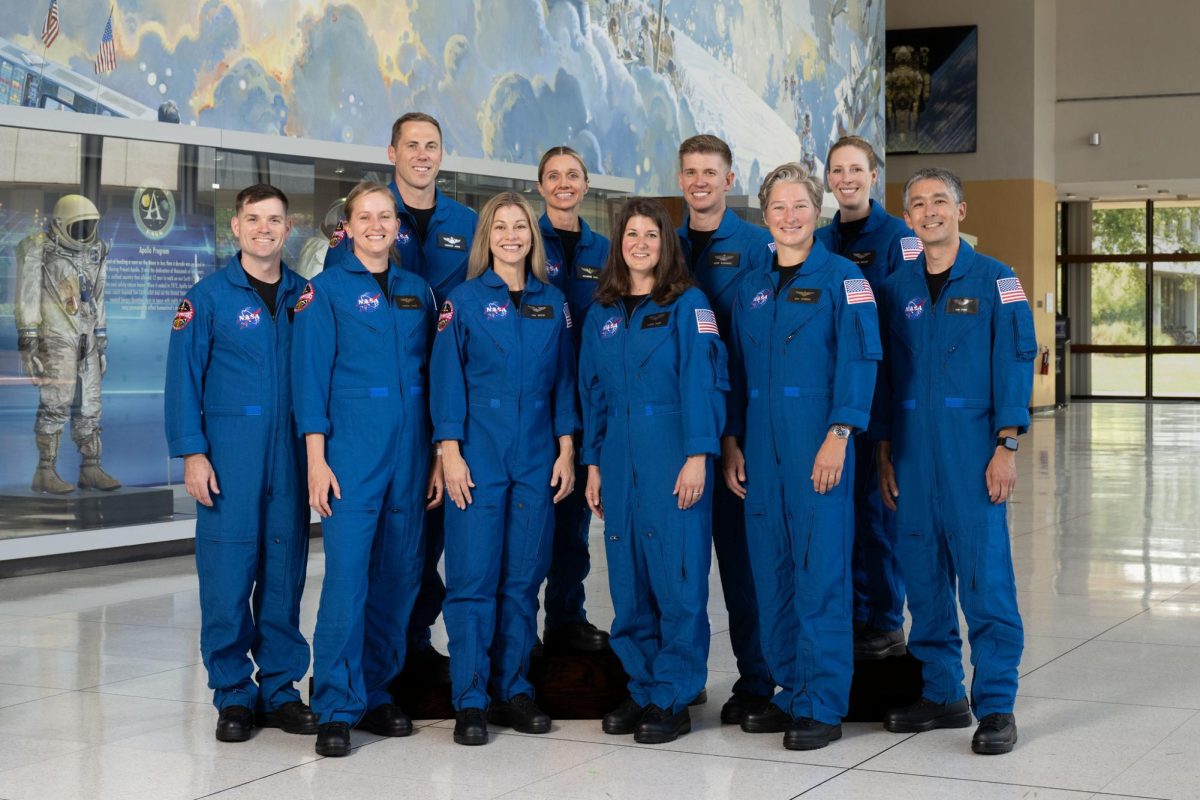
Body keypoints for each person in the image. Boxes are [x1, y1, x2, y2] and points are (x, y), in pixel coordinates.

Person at [875, 167, 1037, 755]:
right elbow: (886, 377)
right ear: (909, 218)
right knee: (923, 581)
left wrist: (1007, 444)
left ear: (960, 211)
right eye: (917, 204)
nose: (929, 211)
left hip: (975, 455)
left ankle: (995, 705)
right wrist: (886, 450)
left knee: (985, 581)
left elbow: (1018, 360)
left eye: (939, 201)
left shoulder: (998, 281)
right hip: (913, 457)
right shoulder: (896, 288)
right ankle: (943, 693)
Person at [723, 164, 881, 750]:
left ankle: (822, 703)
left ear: (817, 212)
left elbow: (861, 360)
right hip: (761, 450)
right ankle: (790, 689)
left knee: (821, 574)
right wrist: (732, 440)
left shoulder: (844, 280)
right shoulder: (751, 288)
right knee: (773, 572)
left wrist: (841, 433)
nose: (790, 218)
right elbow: (735, 373)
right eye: (778, 208)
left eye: (800, 207)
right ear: (764, 217)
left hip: (819, 444)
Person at [292, 181, 441, 757]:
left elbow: (432, 377)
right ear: (347, 227)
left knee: (400, 576)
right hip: (351, 452)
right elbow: (311, 379)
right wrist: (315, 460)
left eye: (386, 216)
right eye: (366, 217)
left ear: (397, 227)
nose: (377, 225)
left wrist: (432, 457)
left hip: (410, 454)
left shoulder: (418, 291)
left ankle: (377, 691)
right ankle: (334, 703)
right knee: (349, 578)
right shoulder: (322, 293)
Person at [164, 184, 316, 743]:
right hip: (230, 457)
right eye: (253, 219)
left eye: (274, 219)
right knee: (228, 577)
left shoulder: (308, 297)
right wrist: (193, 453)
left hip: (292, 458)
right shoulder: (205, 298)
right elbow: (182, 380)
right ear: (236, 227)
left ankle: (279, 689)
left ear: (287, 226)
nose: (263, 229)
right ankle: (232, 694)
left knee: (284, 574)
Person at [328, 112, 479, 676]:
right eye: (411, 144)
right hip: (366, 424)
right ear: (391, 151)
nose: (421, 154)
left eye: (431, 145)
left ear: (442, 154)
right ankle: (361, 669)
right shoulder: (363, 217)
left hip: (435, 409)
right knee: (363, 557)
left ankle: (408, 651)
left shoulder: (467, 222)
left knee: (421, 542)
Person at [431, 192, 577, 746]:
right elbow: (447, 380)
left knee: (522, 579)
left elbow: (564, 380)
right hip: (479, 451)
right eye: (501, 227)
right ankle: (470, 697)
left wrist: (566, 448)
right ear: (486, 237)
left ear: (532, 238)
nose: (512, 236)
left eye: (521, 227)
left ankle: (513, 688)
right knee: (471, 579)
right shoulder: (461, 302)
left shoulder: (554, 302)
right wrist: (449, 451)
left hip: (538, 452)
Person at [580, 197, 728, 745]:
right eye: (631, 235)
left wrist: (697, 455)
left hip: (673, 450)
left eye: (651, 235)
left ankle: (673, 693)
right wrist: (592, 463)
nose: (640, 243)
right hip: (618, 454)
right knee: (628, 577)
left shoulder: (690, 306)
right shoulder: (602, 312)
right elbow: (590, 392)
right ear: (618, 245)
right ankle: (641, 686)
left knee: (678, 577)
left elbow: (706, 382)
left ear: (666, 246)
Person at [675, 134, 774, 722]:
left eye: (710, 171)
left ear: (729, 179)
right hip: (677, 429)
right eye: (690, 171)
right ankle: (681, 678)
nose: (700, 181)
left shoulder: (759, 246)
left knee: (742, 567)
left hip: (737, 428)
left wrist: (737, 434)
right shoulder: (660, 243)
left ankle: (757, 680)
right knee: (680, 568)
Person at [814, 135, 921, 660]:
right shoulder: (817, 240)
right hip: (826, 402)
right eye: (838, 170)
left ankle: (883, 618)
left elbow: (908, 327)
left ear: (873, 176)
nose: (847, 179)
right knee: (840, 517)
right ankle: (852, 615)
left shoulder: (900, 239)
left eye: (856, 169)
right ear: (828, 178)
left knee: (877, 517)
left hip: (879, 401)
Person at [536, 146, 612, 653]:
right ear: (540, 185)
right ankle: (520, 627)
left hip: (582, 405)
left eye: (573, 176)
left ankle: (567, 617)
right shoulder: (521, 237)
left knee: (572, 525)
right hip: (528, 404)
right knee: (527, 523)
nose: (564, 184)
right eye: (553, 176)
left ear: (585, 186)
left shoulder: (604, 250)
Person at [16, 194, 121, 493]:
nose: (85, 232)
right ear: (61, 225)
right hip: (56, 335)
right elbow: (27, 297)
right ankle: (44, 471)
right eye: (79, 226)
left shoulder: (96, 252)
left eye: (89, 226)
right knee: (56, 402)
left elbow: (98, 296)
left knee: (90, 404)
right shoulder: (40, 250)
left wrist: (101, 341)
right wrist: (30, 342)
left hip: (86, 338)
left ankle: (91, 467)